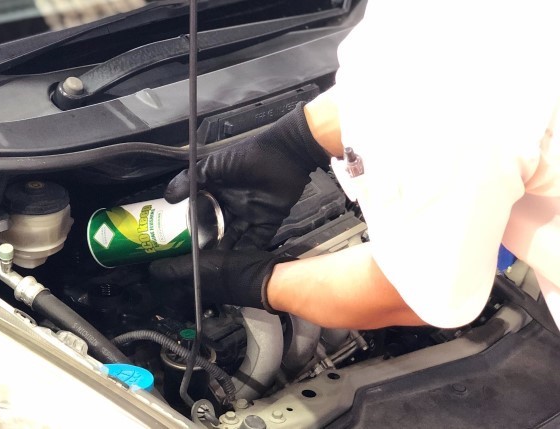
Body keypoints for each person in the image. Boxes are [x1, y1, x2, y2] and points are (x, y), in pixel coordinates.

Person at [150, 2, 560, 330]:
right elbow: (410, 66)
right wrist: (294, 142)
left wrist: (256, 282)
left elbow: (409, 296)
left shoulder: (460, 119)